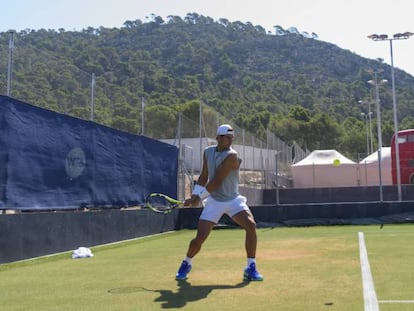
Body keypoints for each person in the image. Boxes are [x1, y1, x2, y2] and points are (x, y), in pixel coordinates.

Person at [175, 124, 263, 281]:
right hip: (214, 201)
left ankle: (251, 267)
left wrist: (197, 199)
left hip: (233, 199)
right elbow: (203, 176)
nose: (229, 141)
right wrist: (195, 194)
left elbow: (216, 182)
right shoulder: (207, 152)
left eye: (231, 138)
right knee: (199, 239)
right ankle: (186, 262)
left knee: (251, 226)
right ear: (218, 138)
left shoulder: (232, 156)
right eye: (226, 137)